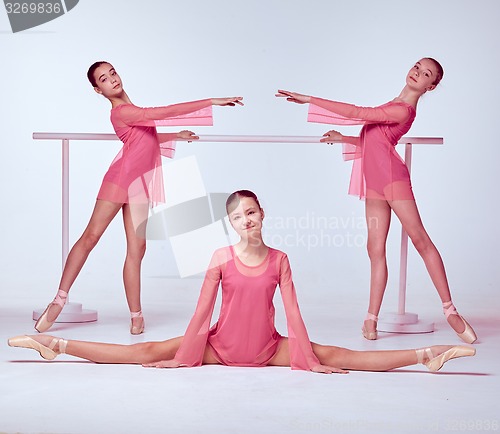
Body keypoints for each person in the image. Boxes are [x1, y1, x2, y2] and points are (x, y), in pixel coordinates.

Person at [11, 190, 475, 374]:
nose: (246, 220)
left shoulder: (280, 259)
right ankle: (54, 345)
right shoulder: (220, 257)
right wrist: (189, 356)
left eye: (251, 212)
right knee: (144, 353)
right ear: (231, 224)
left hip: (268, 348)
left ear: (261, 214)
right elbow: (201, 313)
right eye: (238, 216)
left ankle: (426, 356)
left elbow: (292, 312)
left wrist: (308, 360)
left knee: (337, 356)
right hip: (219, 347)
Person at [276, 58, 477, 343]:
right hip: (375, 183)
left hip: (393, 179)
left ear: (430, 87)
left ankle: (450, 310)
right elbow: (375, 143)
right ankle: (371, 319)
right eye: (417, 66)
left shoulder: (401, 109)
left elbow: (358, 112)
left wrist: (310, 100)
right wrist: (343, 137)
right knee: (374, 248)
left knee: (419, 239)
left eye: (426, 74)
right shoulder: (393, 102)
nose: (417, 72)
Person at [34, 61, 243, 335]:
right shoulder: (122, 112)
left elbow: (143, 136)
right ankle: (59, 300)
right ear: (98, 90)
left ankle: (136, 316)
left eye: (113, 73)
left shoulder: (133, 114)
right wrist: (211, 102)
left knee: (137, 249)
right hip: (119, 180)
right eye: (104, 79)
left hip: (140, 186)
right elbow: (164, 112)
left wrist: (173, 134)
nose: (112, 79)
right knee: (91, 237)